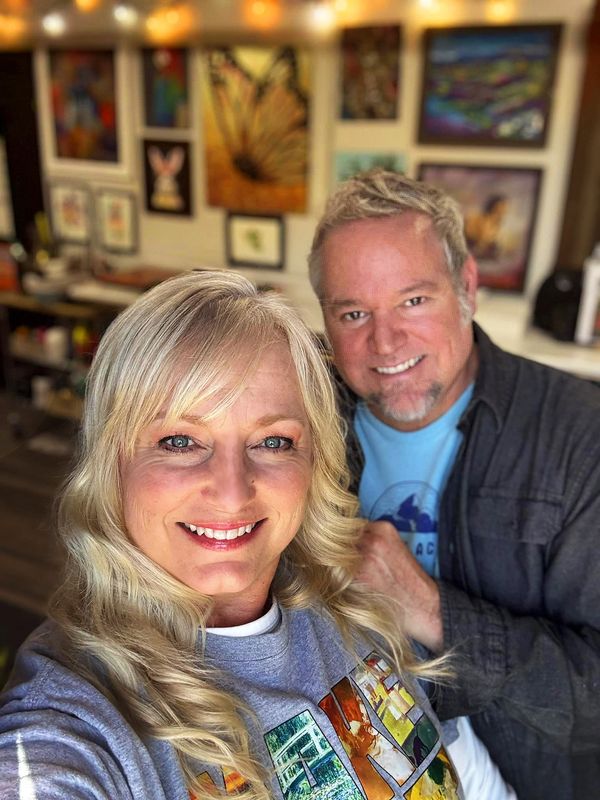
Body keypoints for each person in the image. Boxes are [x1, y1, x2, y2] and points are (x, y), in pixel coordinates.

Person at [0, 271, 514, 799]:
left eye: (272, 441)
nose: (231, 491)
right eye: (179, 440)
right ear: (113, 463)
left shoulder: (358, 606)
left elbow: (466, 775)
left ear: (315, 459)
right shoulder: (75, 718)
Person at [308, 169, 600, 800]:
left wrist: (431, 609)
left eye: (414, 300)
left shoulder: (579, 435)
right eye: (353, 312)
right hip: (336, 756)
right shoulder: (301, 415)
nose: (385, 341)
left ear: (466, 286)